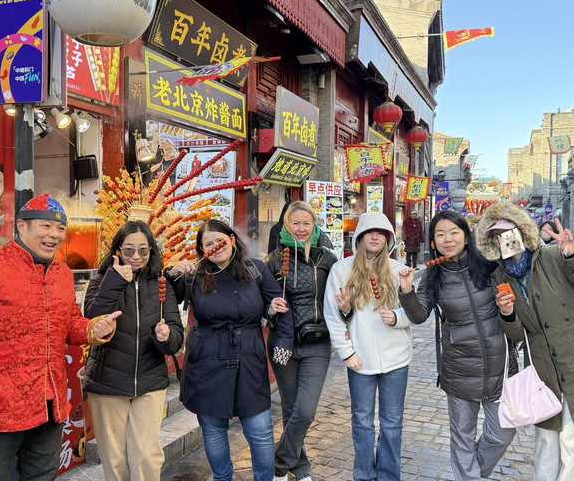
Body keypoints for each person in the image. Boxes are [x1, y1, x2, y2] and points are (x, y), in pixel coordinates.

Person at [0, 193, 120, 481]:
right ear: (21, 227)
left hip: (49, 406)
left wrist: (92, 329)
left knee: (42, 477)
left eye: (61, 228)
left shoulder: (62, 272)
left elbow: (70, 324)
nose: (55, 235)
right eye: (46, 226)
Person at [475, 203, 574, 481]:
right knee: (547, 447)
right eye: (495, 236)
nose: (503, 239)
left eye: (507, 231)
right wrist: (507, 313)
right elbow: (517, 336)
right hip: (543, 372)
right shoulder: (500, 277)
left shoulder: (553, 257)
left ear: (522, 232)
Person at [168, 219, 293, 481]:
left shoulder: (255, 269)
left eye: (220, 240)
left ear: (232, 240)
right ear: (202, 251)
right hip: (206, 359)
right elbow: (166, 297)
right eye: (208, 244)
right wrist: (172, 273)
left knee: (259, 429)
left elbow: (279, 307)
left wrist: (280, 338)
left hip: (248, 357)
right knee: (213, 429)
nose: (216, 247)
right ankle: (221, 478)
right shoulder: (195, 275)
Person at [398, 211, 516, 480]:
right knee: (462, 438)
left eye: (454, 232)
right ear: (432, 241)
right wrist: (406, 291)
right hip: (459, 367)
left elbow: (518, 260)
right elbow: (418, 316)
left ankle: (472, 473)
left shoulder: (488, 264)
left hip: (500, 364)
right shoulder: (432, 276)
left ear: (466, 235)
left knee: (503, 432)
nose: (447, 239)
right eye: (440, 234)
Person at [83, 220, 184, 481]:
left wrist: (165, 336)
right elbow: (90, 321)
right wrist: (115, 281)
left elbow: (175, 338)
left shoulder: (161, 284)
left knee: (147, 455)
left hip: (150, 380)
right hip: (108, 381)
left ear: (152, 250)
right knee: (113, 458)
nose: (136, 257)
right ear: (116, 250)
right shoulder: (100, 281)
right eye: (128, 250)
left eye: (143, 250)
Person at [324, 212, 413, 481]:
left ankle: (388, 475)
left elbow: (416, 313)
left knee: (392, 423)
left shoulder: (399, 271)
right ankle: (363, 474)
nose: (375, 236)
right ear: (360, 237)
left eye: (380, 232)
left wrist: (397, 317)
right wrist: (346, 351)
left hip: (396, 358)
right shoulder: (342, 270)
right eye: (369, 232)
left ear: (388, 238)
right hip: (359, 358)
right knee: (362, 421)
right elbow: (332, 313)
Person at [264, 201, 338, 481]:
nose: (302, 229)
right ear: (285, 226)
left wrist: (345, 306)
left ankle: (280, 465)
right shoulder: (273, 260)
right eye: (296, 223)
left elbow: (344, 299)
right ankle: (302, 469)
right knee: (290, 408)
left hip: (316, 343)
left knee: (305, 411)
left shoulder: (327, 259)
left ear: (315, 225)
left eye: (307, 223)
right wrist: (270, 309)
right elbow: (261, 303)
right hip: (283, 345)